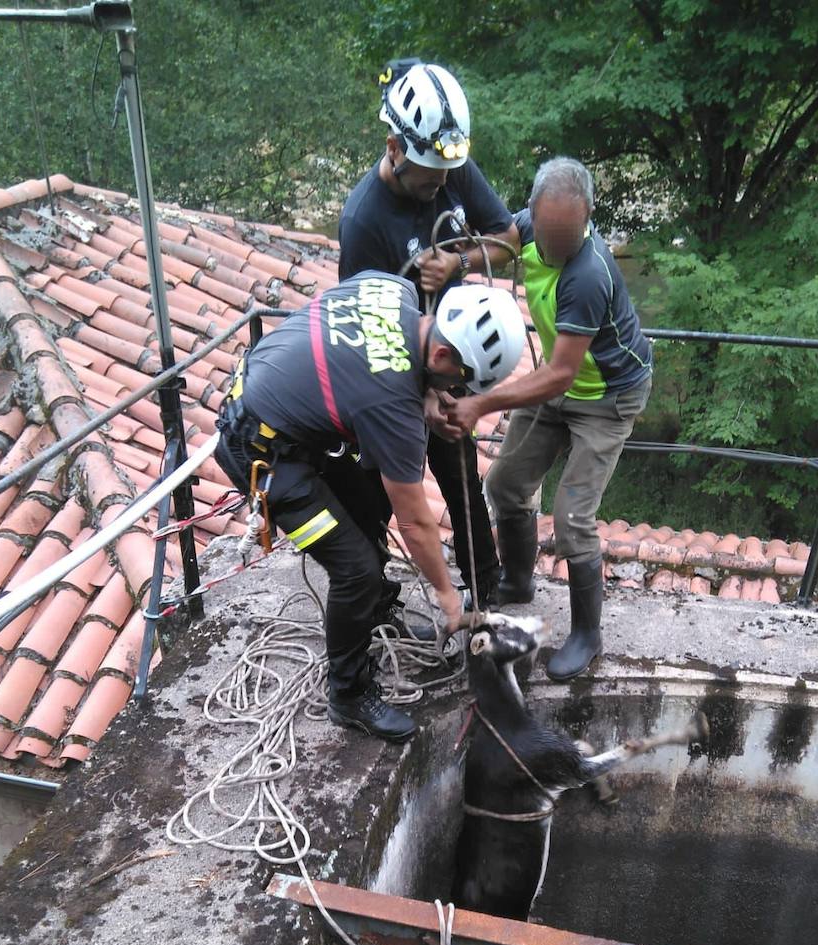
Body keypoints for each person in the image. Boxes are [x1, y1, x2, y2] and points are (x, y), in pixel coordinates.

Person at [213, 272, 525, 742]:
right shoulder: (392, 406)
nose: (458, 394)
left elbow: (378, 357)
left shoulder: (391, 289)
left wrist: (429, 393)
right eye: (459, 382)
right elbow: (418, 523)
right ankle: (349, 694)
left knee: (364, 511)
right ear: (441, 355)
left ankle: (375, 617)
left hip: (284, 416)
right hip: (262, 453)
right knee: (355, 568)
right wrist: (447, 597)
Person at [446, 157, 653, 680]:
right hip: (562, 387)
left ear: (586, 221)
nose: (556, 251)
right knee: (506, 484)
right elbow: (502, 245)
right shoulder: (531, 227)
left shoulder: (587, 274)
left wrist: (479, 404)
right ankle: (519, 580)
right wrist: (457, 263)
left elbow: (560, 374)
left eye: (569, 238)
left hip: (607, 398)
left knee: (572, 517)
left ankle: (588, 635)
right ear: (533, 214)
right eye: (547, 236)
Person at [338, 59, 521, 608]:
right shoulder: (363, 222)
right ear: (395, 148)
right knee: (378, 488)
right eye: (428, 180)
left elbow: (508, 239)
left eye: (447, 176)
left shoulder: (449, 162)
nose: (440, 186)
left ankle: (485, 592)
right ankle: (376, 602)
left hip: (452, 355)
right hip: (392, 370)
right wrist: (420, 395)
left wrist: (458, 263)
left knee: (461, 473)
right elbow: (364, 333)